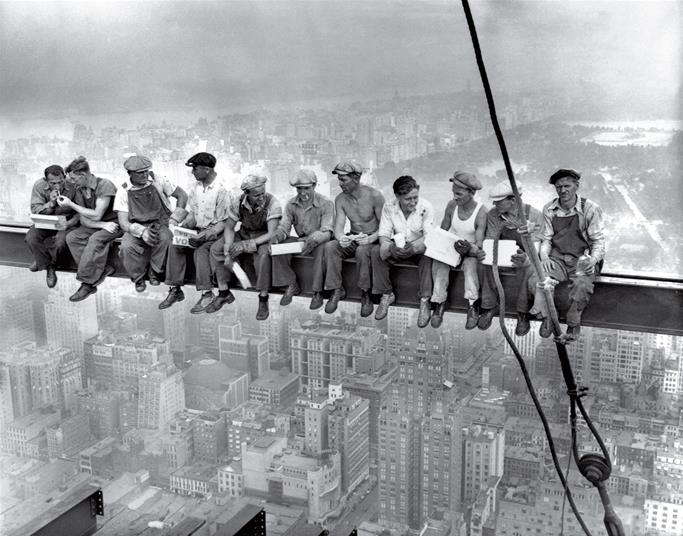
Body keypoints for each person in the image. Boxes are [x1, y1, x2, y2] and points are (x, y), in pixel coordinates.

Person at [527, 168, 605, 340]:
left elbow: (598, 241)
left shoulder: (590, 208)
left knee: (582, 285)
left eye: (567, 186)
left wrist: (593, 260)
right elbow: (546, 238)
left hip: (582, 259)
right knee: (538, 278)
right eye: (558, 187)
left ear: (576, 186)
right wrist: (545, 257)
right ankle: (547, 317)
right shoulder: (549, 208)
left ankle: (573, 321)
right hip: (558, 258)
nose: (563, 190)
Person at [158, 152, 229, 313]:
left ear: (207, 169)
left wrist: (203, 236)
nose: (193, 172)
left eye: (195, 169)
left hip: (216, 234)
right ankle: (175, 289)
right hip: (199, 231)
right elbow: (193, 214)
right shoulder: (196, 188)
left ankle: (207, 293)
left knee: (201, 251)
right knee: (175, 245)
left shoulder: (222, 190)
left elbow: (223, 223)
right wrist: (182, 227)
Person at [210, 174, 282, 320]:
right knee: (217, 249)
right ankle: (224, 292)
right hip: (244, 233)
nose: (261, 197)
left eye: (263, 193)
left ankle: (263, 298)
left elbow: (271, 233)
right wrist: (228, 248)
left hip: (262, 237)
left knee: (263, 257)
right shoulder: (238, 202)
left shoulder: (273, 203)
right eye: (256, 195)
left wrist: (245, 246)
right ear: (246, 194)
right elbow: (230, 227)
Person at [476, 180, 544, 335]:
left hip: (526, 255)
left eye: (499, 201)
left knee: (527, 268)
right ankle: (489, 305)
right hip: (502, 253)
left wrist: (526, 257)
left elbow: (537, 247)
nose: (494, 204)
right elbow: (491, 239)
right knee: (484, 263)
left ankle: (522, 312)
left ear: (513, 200)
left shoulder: (534, 215)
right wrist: (485, 252)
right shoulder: (494, 214)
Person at [114, 155, 188, 293]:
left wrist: (174, 219)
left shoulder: (158, 180)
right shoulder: (123, 191)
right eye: (140, 172)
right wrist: (142, 232)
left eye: (146, 171)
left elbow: (182, 195)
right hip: (137, 226)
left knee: (165, 239)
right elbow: (123, 222)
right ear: (130, 173)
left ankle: (155, 271)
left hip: (160, 223)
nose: (145, 175)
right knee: (126, 247)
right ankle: (138, 277)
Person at [323, 160, 385, 317]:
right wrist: (341, 238)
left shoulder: (375, 196)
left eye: (343, 180)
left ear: (356, 179)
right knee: (331, 247)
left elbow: (385, 227)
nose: (340, 183)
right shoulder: (341, 199)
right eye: (339, 179)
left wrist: (371, 238)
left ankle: (366, 293)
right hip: (354, 236)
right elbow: (338, 226)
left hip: (373, 238)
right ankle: (336, 289)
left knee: (362, 252)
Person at [370, 175, 434, 325]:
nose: (413, 202)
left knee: (428, 256)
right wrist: (390, 248)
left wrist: (413, 248)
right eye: (408, 199)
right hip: (398, 246)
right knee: (376, 252)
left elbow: (428, 236)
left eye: (415, 198)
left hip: (418, 246)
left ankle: (425, 300)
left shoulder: (426, 207)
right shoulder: (389, 207)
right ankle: (386, 294)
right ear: (398, 196)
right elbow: (384, 234)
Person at [58, 156, 122, 301]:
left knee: (95, 239)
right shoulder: (80, 189)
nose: (72, 182)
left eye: (74, 179)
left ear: (83, 175)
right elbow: (84, 218)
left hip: (115, 224)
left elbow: (96, 214)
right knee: (72, 237)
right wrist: (101, 225)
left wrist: (71, 205)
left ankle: (87, 283)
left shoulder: (105, 185)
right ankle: (102, 269)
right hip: (101, 225)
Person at [430, 170, 487, 329]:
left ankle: (472, 304)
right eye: (454, 193)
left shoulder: (481, 212)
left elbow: (480, 242)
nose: (455, 197)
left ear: (471, 193)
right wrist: (439, 245)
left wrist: (469, 248)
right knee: (439, 264)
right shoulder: (451, 205)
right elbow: (443, 230)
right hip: (452, 246)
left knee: (470, 267)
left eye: (459, 194)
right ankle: (439, 302)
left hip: (469, 250)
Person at [270, 169, 334, 309]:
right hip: (302, 241)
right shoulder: (291, 204)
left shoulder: (326, 203)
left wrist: (314, 239)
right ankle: (291, 283)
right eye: (299, 189)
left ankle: (317, 292)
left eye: (306, 188)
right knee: (278, 248)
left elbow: (327, 230)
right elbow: (285, 226)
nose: (303, 193)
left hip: (319, 240)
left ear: (314, 186)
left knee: (322, 250)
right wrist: (277, 236)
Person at [26, 164, 79, 288]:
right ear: (46, 180)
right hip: (46, 221)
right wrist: (51, 203)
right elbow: (35, 209)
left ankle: (44, 262)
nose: (58, 186)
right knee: (31, 238)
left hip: (66, 221)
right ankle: (47, 265)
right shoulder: (39, 185)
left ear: (64, 177)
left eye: (60, 182)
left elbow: (80, 211)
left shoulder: (73, 185)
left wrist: (69, 223)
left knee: (60, 243)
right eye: (53, 183)